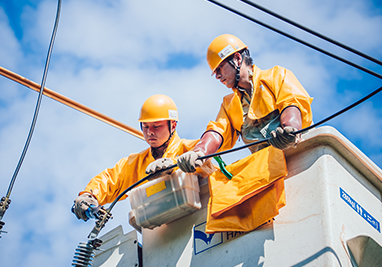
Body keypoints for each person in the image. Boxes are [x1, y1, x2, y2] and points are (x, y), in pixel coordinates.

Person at [176, 34, 313, 173]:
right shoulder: (229, 104)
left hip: (302, 159)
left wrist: (291, 131)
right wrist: (199, 152)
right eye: (215, 71)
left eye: (220, 67)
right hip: (270, 171)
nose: (217, 76)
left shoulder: (277, 76)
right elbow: (218, 131)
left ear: (237, 58)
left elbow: (292, 104)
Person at [72, 94, 200, 221]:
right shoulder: (137, 163)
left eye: (156, 126)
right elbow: (111, 179)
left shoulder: (191, 148)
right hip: (159, 231)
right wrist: (89, 195)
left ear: (172, 125)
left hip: (197, 221)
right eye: (145, 127)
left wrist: (174, 164)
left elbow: (208, 166)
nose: (150, 132)